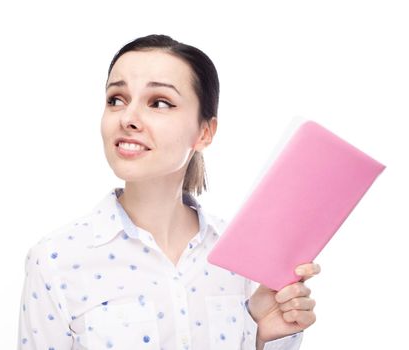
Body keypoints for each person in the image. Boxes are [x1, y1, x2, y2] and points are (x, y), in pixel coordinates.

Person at [17, 34, 320, 350]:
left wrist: (268, 338)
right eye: (116, 99)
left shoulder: (238, 256)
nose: (128, 118)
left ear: (204, 132)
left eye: (159, 102)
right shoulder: (56, 260)